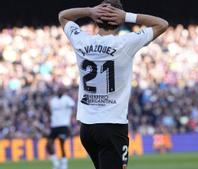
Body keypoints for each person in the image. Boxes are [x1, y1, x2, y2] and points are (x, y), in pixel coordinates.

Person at [58, 0, 168, 168]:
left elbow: (63, 16)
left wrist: (89, 11)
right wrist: (126, 16)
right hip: (112, 126)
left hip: (87, 128)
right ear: (119, 21)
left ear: (96, 20)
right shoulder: (125, 43)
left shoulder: (81, 40)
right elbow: (162, 24)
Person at [46, 86, 75, 169]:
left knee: (61, 143)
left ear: (63, 91)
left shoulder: (67, 99)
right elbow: (50, 111)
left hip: (64, 125)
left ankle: (64, 164)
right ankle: (56, 163)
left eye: (61, 89)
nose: (59, 91)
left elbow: (73, 107)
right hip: (54, 125)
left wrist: (72, 118)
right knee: (49, 144)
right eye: (58, 90)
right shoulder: (53, 101)